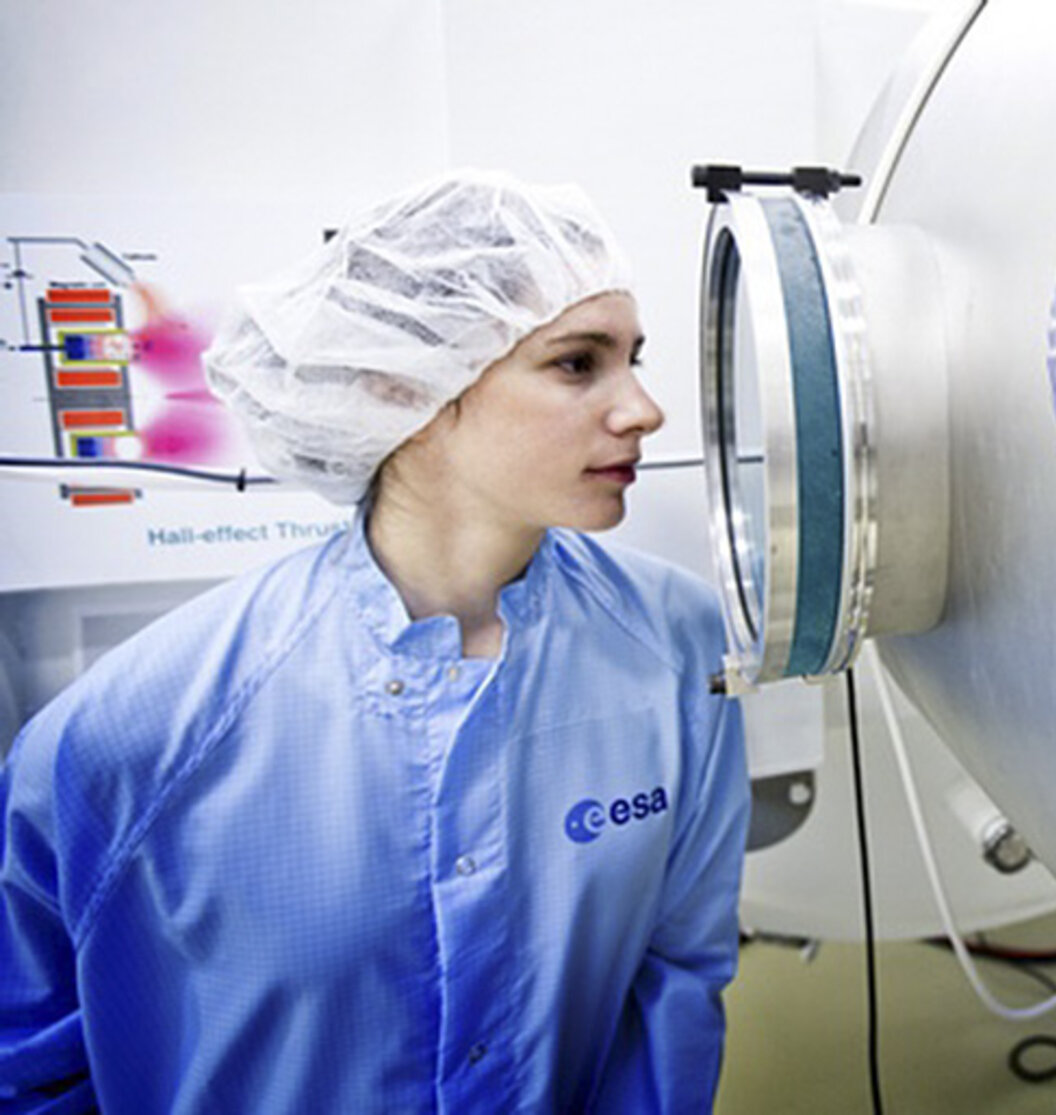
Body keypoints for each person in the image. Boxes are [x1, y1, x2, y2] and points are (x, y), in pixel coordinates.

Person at [0, 170, 750, 1112]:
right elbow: (30, 1072)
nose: (643, 408)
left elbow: (674, 985)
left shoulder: (679, 651)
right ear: (406, 384)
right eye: (577, 362)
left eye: (635, 358)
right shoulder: (137, 731)